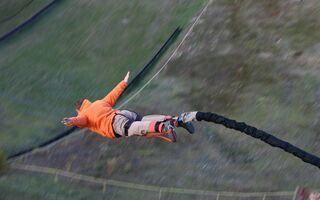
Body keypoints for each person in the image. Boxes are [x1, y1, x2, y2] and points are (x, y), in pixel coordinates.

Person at [62, 72, 197, 141]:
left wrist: (71, 121)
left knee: (139, 128)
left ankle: (165, 127)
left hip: (115, 125)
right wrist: (123, 82)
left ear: (79, 110)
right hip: (123, 114)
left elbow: (82, 120)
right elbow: (113, 94)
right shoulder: (98, 103)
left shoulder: (84, 115)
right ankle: (178, 121)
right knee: (145, 120)